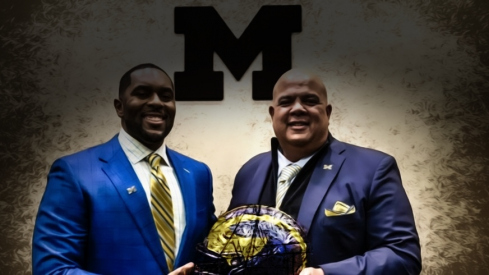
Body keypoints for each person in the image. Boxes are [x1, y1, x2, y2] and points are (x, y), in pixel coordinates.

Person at [228, 68, 421, 275]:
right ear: (272, 114)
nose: (298, 109)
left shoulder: (374, 168)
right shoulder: (249, 171)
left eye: (310, 100)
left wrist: (324, 274)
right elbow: (229, 247)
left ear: (328, 113)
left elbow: (402, 256)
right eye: (286, 102)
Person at [32, 63, 216, 275]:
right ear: (119, 107)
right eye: (143, 93)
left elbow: (209, 256)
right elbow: (53, 270)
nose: (157, 102)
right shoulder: (75, 172)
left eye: (166, 96)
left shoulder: (198, 173)